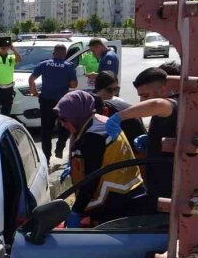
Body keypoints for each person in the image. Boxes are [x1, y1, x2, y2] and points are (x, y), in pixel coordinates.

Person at [56, 90, 146, 227]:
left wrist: (76, 211)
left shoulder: (92, 138)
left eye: (64, 119)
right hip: (130, 192)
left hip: (114, 203)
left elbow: (90, 181)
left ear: (76, 116)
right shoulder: (99, 120)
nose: (62, 124)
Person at [105, 67, 178, 212]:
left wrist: (119, 117)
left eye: (145, 95)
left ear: (162, 91)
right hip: (156, 181)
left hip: (169, 184)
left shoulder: (173, 104)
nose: (141, 101)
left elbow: (157, 104)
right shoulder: (161, 112)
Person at [27, 44, 77, 161]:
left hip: (46, 102)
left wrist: (34, 92)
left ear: (53, 53)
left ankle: (46, 157)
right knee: (65, 126)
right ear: (65, 55)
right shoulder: (68, 67)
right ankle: (60, 147)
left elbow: (31, 79)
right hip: (62, 103)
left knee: (46, 130)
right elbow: (74, 85)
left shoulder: (44, 64)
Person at [93, 71, 146, 147]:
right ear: (98, 89)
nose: (113, 93)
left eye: (116, 89)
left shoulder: (121, 106)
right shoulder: (90, 106)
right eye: (109, 90)